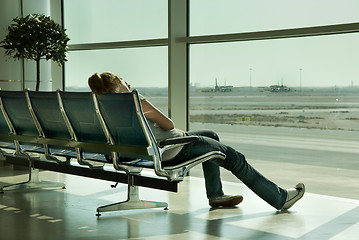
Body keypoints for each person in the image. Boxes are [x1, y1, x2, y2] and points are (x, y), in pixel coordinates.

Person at [88, 72, 305, 210]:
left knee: (211, 135)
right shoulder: (135, 101)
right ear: (119, 81)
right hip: (173, 148)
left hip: (143, 152)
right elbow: (169, 125)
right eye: (124, 79)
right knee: (234, 158)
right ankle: (280, 198)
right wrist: (138, 98)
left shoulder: (103, 108)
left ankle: (216, 195)